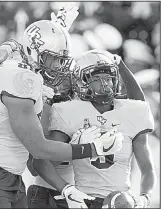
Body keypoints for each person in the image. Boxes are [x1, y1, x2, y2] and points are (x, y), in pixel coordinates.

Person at [0, 20, 123, 208]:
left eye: (61, 59)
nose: (58, 66)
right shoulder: (20, 78)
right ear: (33, 52)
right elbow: (38, 148)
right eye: (52, 58)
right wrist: (93, 148)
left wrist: (65, 189)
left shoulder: (21, 71)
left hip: (8, 175)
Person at [27, 50, 156, 208]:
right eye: (96, 79)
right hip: (79, 199)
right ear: (80, 82)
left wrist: (144, 198)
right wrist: (75, 148)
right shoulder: (65, 109)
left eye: (108, 78)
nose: (104, 84)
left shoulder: (131, 110)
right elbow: (39, 163)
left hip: (120, 200)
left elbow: (148, 168)